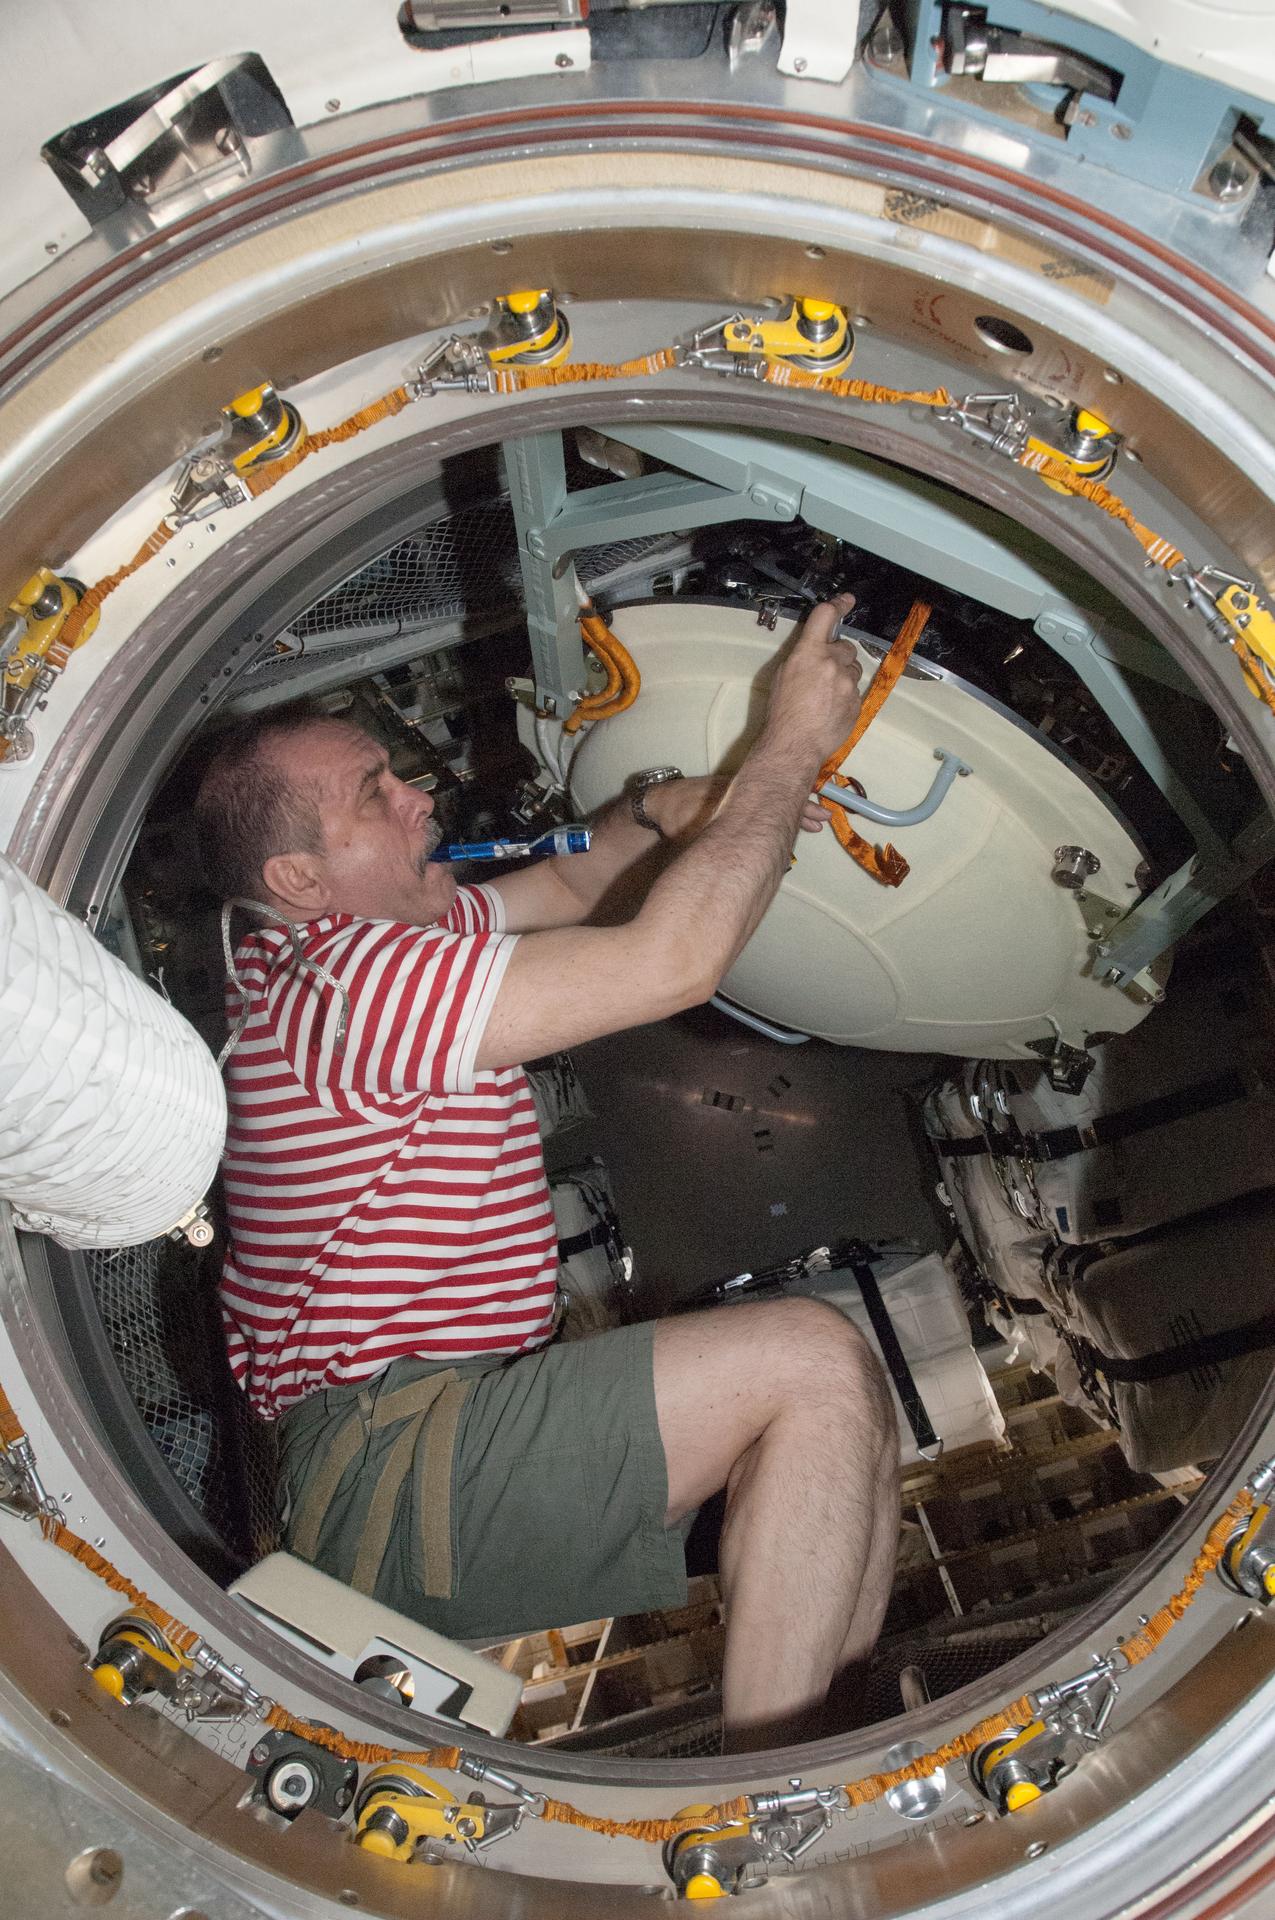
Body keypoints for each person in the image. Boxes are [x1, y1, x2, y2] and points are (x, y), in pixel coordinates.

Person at [194, 592, 898, 1751]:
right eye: (374, 795)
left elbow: (573, 886)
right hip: (388, 1462)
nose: (419, 797)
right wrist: (787, 749)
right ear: (302, 882)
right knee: (812, 1363)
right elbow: (674, 961)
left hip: (423, 1434)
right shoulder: (344, 981)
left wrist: (663, 811)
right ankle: (777, 1788)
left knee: (855, 1403)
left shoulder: (379, 952)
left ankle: (834, 1746)